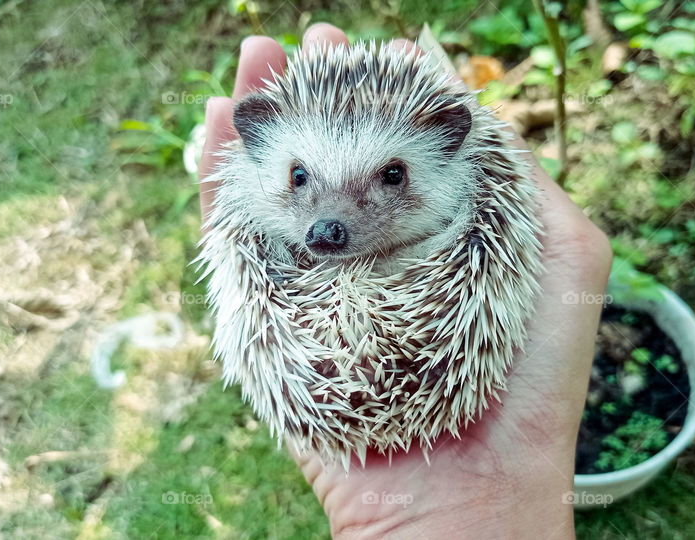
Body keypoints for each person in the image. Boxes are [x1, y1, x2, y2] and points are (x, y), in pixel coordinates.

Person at [196, 22, 612, 539]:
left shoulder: (476, 195)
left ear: (449, 151)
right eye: (300, 178)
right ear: (261, 148)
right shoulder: (254, 206)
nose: (330, 223)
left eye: (390, 177)